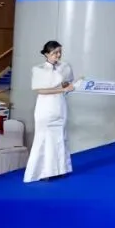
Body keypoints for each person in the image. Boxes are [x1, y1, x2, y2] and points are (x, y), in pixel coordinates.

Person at [24, 41, 74, 183]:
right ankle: (42, 171)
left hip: (60, 104)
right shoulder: (38, 69)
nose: (58, 55)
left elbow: (66, 83)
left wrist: (69, 86)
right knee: (44, 137)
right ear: (46, 54)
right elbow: (40, 90)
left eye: (59, 52)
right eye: (54, 53)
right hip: (45, 106)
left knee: (60, 136)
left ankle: (60, 169)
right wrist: (63, 89)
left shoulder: (65, 67)